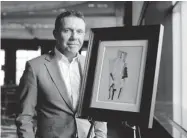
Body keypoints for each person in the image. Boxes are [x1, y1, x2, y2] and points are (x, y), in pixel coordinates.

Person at [15, 10, 107, 138]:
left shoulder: (93, 65)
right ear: (55, 34)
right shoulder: (35, 67)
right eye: (67, 30)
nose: (74, 37)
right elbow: (24, 117)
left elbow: (99, 113)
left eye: (79, 31)